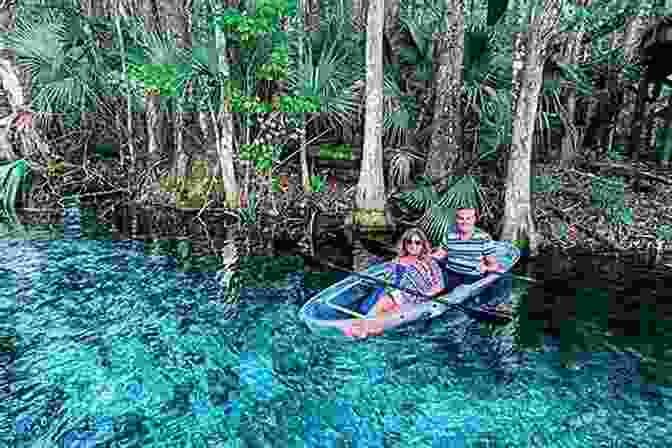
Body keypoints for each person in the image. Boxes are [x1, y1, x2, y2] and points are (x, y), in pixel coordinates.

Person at [347, 228, 447, 338]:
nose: (413, 245)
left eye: (417, 242)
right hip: (400, 294)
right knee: (381, 303)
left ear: (423, 245)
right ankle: (361, 325)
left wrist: (426, 295)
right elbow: (392, 280)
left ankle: (367, 331)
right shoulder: (398, 261)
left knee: (388, 315)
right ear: (405, 244)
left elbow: (440, 285)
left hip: (418, 298)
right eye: (409, 242)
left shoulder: (430, 262)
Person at [432, 207, 512, 316]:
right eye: (461, 218)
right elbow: (440, 254)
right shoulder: (450, 234)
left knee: (500, 279)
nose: (464, 222)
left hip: (472, 276)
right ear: (456, 219)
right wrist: (425, 257)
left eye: (468, 218)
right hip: (450, 273)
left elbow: (494, 266)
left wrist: (486, 268)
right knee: (434, 286)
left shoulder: (483, 238)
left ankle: (491, 305)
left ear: (474, 219)